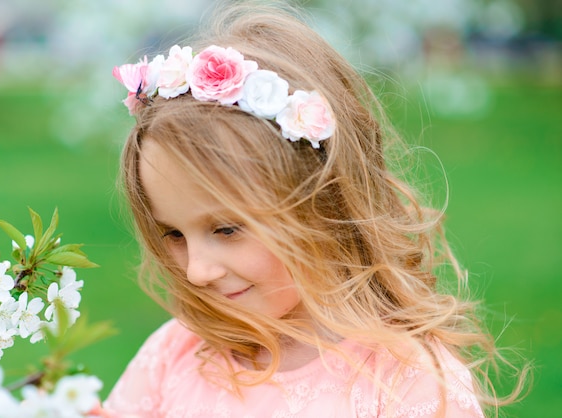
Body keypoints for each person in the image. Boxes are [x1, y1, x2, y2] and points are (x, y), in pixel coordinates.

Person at [100, 1, 528, 416]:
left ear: (324, 202)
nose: (196, 272)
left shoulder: (407, 382)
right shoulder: (176, 355)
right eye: (173, 234)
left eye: (227, 229)